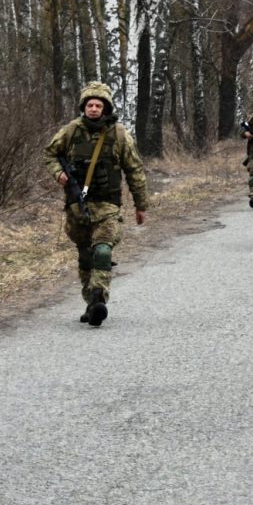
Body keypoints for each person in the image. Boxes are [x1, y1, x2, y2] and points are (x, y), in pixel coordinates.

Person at [44, 81, 150, 328]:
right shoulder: (71, 131)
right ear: (84, 107)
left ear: (106, 108)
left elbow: (135, 170)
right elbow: (49, 154)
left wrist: (140, 205)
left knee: (102, 250)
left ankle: (99, 296)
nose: (93, 109)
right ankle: (90, 304)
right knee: (85, 256)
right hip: (77, 208)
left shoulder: (119, 134)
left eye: (98, 105)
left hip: (107, 206)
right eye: (89, 105)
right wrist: (58, 173)